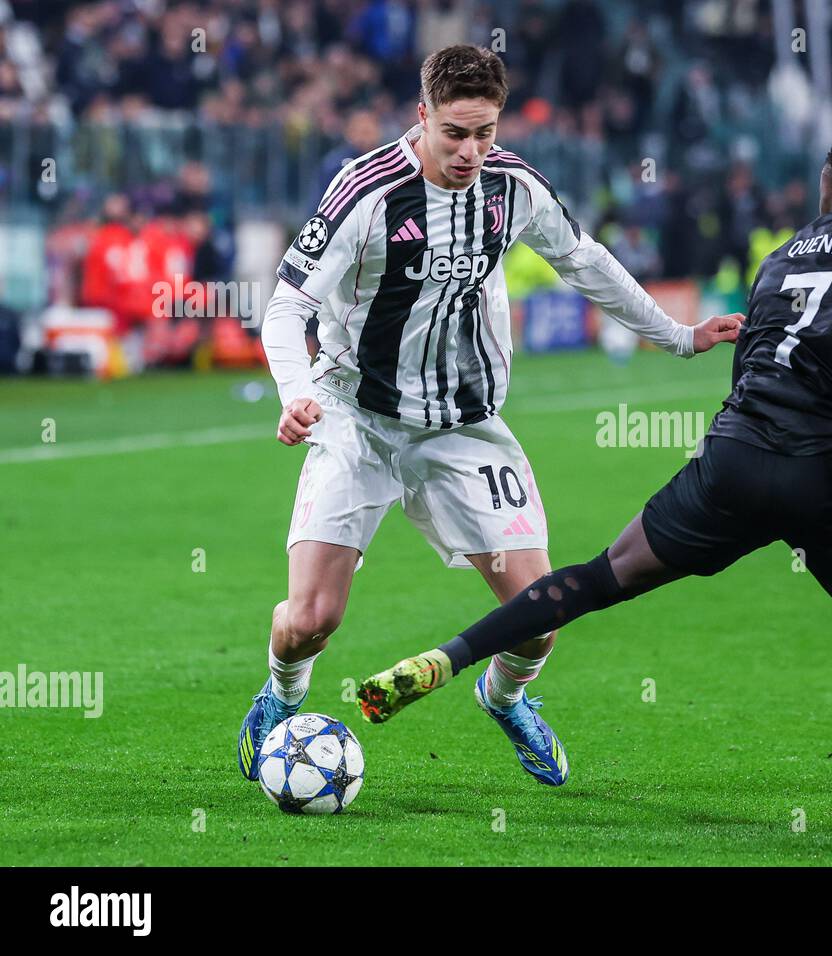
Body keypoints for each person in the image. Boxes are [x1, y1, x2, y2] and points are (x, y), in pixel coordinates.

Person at [358, 59, 832, 850]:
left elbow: (770, 366)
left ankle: (445, 660)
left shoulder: (784, 255)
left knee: (595, 579)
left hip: (732, 459)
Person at [237, 44, 741, 789]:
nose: (472, 151)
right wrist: (292, 393)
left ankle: (504, 695)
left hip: (465, 429)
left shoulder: (513, 187)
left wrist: (676, 335)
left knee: (540, 615)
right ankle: (279, 697)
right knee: (311, 618)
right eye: (455, 133)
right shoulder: (366, 192)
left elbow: (586, 261)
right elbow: (287, 307)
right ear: (422, 117)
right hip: (358, 419)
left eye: (486, 132)